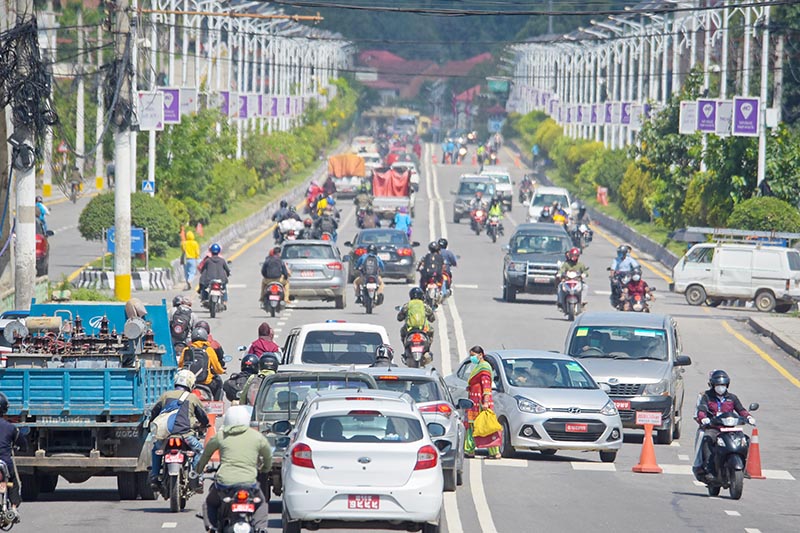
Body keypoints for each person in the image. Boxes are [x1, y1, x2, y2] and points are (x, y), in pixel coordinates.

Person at [197, 405, 272, 533]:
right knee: (261, 503)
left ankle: (212, 527)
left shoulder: (220, 436)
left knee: (210, 503)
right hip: (249, 483)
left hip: (224, 483)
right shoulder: (257, 437)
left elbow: (206, 454)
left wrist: (199, 470)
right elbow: (268, 456)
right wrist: (265, 469)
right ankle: (261, 528)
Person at [149, 370, 209, 490]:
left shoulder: (166, 395)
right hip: (186, 435)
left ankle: (154, 476)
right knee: (199, 451)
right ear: (191, 383)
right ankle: (197, 477)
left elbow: (154, 412)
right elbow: (203, 416)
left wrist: (151, 423)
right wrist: (205, 425)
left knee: (156, 450)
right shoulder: (193, 398)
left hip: (166, 435)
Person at [693, 370, 754, 481]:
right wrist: (704, 418)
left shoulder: (732, 398)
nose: (721, 387)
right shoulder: (707, 397)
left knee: (745, 440)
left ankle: (744, 468)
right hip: (714, 428)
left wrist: (749, 417)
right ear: (713, 385)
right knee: (707, 439)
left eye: (723, 385)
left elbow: (741, 410)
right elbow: (702, 409)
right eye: (718, 385)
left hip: (730, 429)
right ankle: (709, 469)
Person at [464, 346, 502, 459]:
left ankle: (495, 452)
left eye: (473, 355)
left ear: (480, 355)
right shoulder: (478, 366)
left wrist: (485, 402)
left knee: (487, 427)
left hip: (481, 403)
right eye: (470, 356)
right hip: (474, 402)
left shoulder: (484, 367)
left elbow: (486, 387)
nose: (471, 358)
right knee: (472, 426)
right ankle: (469, 450)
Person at [179, 327, 226, 401]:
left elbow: (181, 365)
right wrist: (222, 371)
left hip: (189, 382)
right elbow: (217, 368)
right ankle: (217, 406)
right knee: (219, 383)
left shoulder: (186, 349)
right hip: (206, 382)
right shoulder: (209, 350)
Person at [0, 392, 25, 521]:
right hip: (5, 463)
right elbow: (22, 443)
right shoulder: (11, 428)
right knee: (13, 482)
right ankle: (14, 508)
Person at [557, 247, 589, 312]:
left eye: (575, 256)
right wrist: (560, 274)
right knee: (560, 286)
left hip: (577, 281)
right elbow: (561, 270)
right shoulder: (566, 264)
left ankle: (582, 301)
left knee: (585, 286)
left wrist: (584, 274)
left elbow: (585, 271)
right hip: (567, 281)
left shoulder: (580, 265)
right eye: (572, 255)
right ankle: (560, 302)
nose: (573, 257)